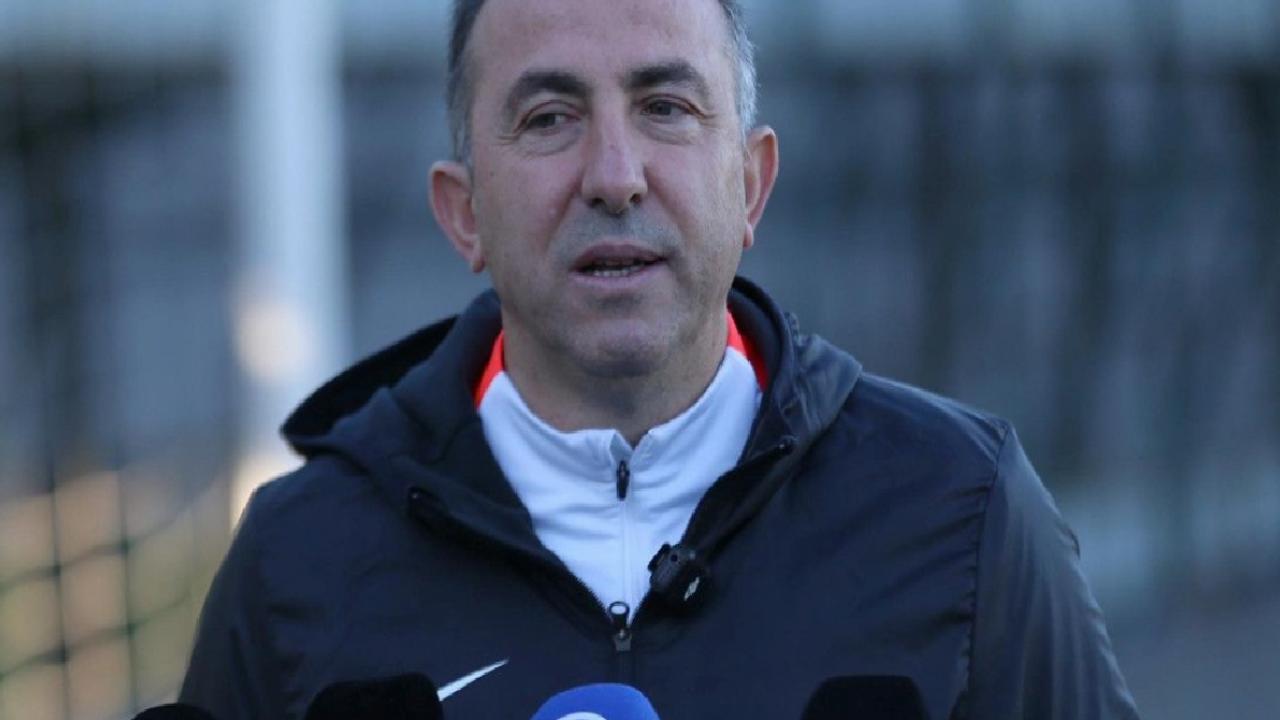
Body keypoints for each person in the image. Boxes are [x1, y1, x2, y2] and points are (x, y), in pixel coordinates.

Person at [180, 0, 1141, 718]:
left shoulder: (961, 513)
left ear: (751, 185)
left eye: (667, 107)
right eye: (549, 117)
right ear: (463, 212)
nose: (614, 176)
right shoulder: (299, 562)